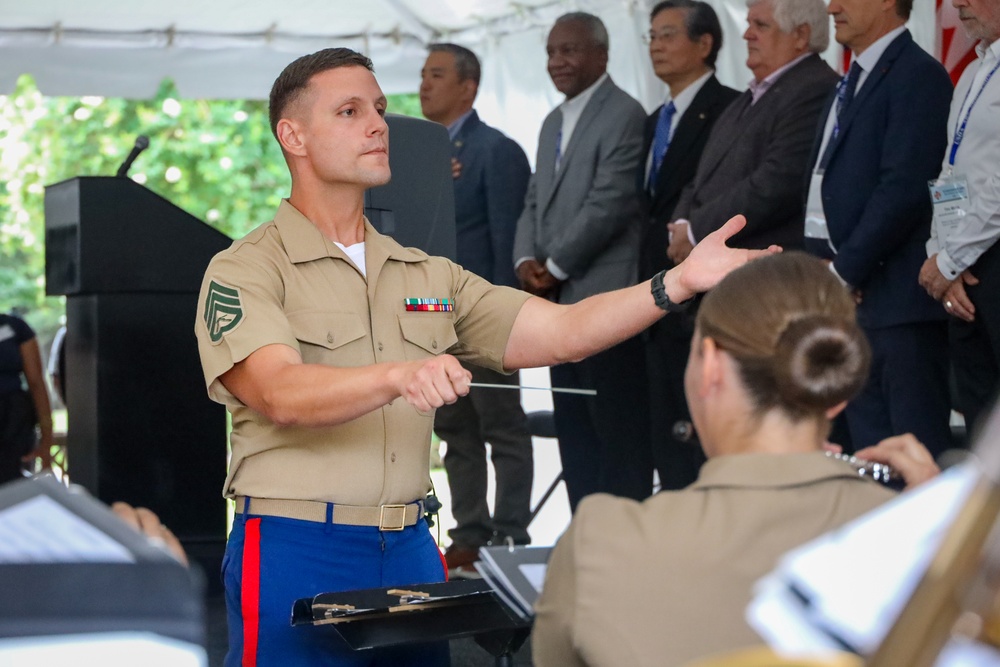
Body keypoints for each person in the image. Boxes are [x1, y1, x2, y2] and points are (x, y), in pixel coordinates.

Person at [194, 47, 776, 667]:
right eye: (349, 111)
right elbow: (279, 392)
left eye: (381, 109)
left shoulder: (427, 273)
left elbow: (565, 331)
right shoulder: (246, 269)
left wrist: (677, 283)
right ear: (294, 135)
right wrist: (400, 373)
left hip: (413, 544)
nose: (378, 124)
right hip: (298, 543)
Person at [532, 252, 938, 667]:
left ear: (710, 368)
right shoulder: (929, 549)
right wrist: (945, 535)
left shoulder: (600, 543)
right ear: (835, 394)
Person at [512, 12, 652, 511]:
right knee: (574, 432)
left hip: (607, 299)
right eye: (551, 52)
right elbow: (534, 198)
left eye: (569, 50)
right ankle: (584, 543)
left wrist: (557, 266)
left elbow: (610, 202)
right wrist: (527, 260)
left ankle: (624, 551)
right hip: (556, 309)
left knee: (615, 431)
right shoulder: (553, 120)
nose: (557, 62)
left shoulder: (625, 113)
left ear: (602, 54)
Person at [803, 0, 953, 458]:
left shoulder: (917, 75)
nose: (832, 7)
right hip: (849, 307)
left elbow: (904, 188)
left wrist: (844, 272)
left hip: (895, 307)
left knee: (909, 462)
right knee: (866, 466)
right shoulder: (849, 80)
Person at [418, 43, 535, 574]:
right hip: (430, 315)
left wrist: (503, 317)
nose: (424, 85)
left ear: (468, 86)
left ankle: (509, 534)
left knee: (501, 427)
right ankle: (468, 535)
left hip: (486, 317)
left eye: (437, 75)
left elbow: (509, 241)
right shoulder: (414, 154)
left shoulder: (495, 150)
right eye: (423, 74)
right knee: (455, 430)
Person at [639, 0, 740, 490]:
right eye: (652, 36)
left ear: (705, 44)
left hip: (704, 297)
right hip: (656, 295)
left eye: (668, 34)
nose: (656, 45)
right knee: (664, 435)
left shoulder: (730, 108)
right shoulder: (654, 118)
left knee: (701, 435)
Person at [667, 0, 838, 261]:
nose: (747, 34)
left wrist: (695, 231)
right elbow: (701, 177)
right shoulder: (747, 97)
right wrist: (681, 222)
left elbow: (776, 183)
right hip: (722, 270)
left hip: (767, 273)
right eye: (748, 24)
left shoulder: (815, 89)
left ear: (801, 36)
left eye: (760, 25)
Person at [919, 0, 1000, 440]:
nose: (957, 4)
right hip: (964, 269)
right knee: (979, 421)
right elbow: (951, 175)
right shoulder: (973, 72)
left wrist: (949, 259)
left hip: (982, 257)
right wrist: (940, 255)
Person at [0, 311, 53, 483]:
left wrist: (47, 438)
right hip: (12, 417)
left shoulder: (15, 327)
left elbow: (36, 382)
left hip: (12, 421)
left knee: (13, 483)